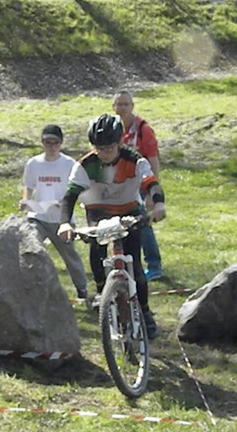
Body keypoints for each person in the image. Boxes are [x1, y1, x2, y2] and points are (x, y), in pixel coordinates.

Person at [57, 114, 166, 339]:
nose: (104, 154)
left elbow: (152, 183)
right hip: (99, 210)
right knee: (96, 248)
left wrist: (159, 205)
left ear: (119, 144)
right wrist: (65, 223)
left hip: (129, 209)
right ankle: (102, 294)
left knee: (135, 264)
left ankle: (144, 312)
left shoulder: (135, 160)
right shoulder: (85, 164)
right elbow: (69, 197)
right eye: (99, 148)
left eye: (109, 148)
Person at [19, 124, 89, 301]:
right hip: (38, 216)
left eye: (55, 143)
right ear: (42, 143)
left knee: (70, 255)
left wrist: (64, 202)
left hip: (61, 219)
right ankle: (30, 289)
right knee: (30, 249)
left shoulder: (69, 164)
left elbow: (77, 188)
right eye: (47, 142)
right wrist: (26, 200)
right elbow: (28, 186)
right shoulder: (33, 164)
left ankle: (82, 289)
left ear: (61, 143)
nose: (51, 146)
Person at [113, 90, 164, 281]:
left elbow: (153, 160)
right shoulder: (112, 128)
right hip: (120, 186)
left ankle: (154, 265)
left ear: (132, 106)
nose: (122, 108)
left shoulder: (143, 129)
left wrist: (153, 192)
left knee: (143, 224)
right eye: (119, 104)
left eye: (126, 104)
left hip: (142, 184)